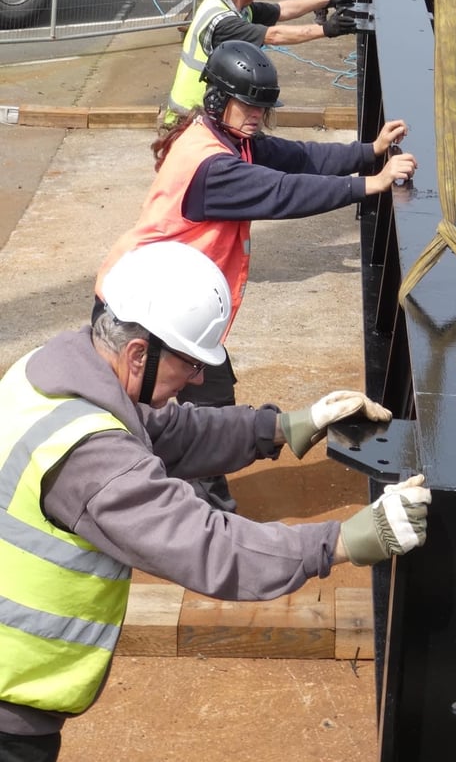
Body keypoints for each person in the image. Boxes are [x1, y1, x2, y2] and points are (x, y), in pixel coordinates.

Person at [0, 240, 431, 762]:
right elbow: (207, 546)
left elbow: (169, 431)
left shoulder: (51, 373)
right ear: (140, 354)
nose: (200, 378)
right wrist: (343, 539)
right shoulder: (90, 460)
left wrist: (283, 426)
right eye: (191, 363)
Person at [95, 40, 417, 510]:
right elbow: (283, 192)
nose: (255, 115)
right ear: (217, 99)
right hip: (141, 310)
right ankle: (201, 516)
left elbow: (296, 158)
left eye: (262, 107)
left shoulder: (225, 135)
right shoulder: (212, 165)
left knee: (190, 402)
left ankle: (186, 500)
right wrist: (371, 184)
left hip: (158, 299)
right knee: (188, 409)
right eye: (248, 104)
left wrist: (369, 151)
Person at [165, 0, 357, 126]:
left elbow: (282, 10)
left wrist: (328, 0)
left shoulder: (230, 5)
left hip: (203, 114)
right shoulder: (224, 21)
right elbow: (274, 35)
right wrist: (327, 29)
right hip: (188, 120)